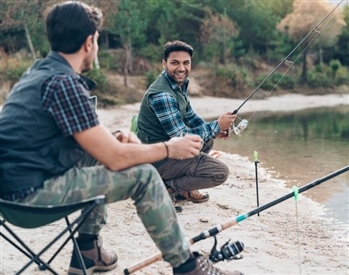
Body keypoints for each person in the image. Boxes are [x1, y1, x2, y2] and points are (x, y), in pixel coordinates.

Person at [0, 2, 243, 275]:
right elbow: (115, 157)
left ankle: (88, 249)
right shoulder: (64, 83)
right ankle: (187, 267)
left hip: (8, 193)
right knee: (144, 177)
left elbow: (74, 141)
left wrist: (114, 137)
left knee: (99, 155)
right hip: (29, 198)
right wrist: (167, 147)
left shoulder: (37, 74)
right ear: (89, 42)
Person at [137, 40, 237, 209]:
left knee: (208, 139)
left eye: (186, 63)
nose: (181, 68)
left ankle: (183, 190)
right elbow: (180, 137)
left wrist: (215, 128)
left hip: (164, 149)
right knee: (220, 173)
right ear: (164, 63)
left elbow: (191, 116)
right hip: (155, 158)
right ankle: (167, 188)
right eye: (175, 62)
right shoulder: (163, 95)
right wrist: (217, 126)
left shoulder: (177, 85)